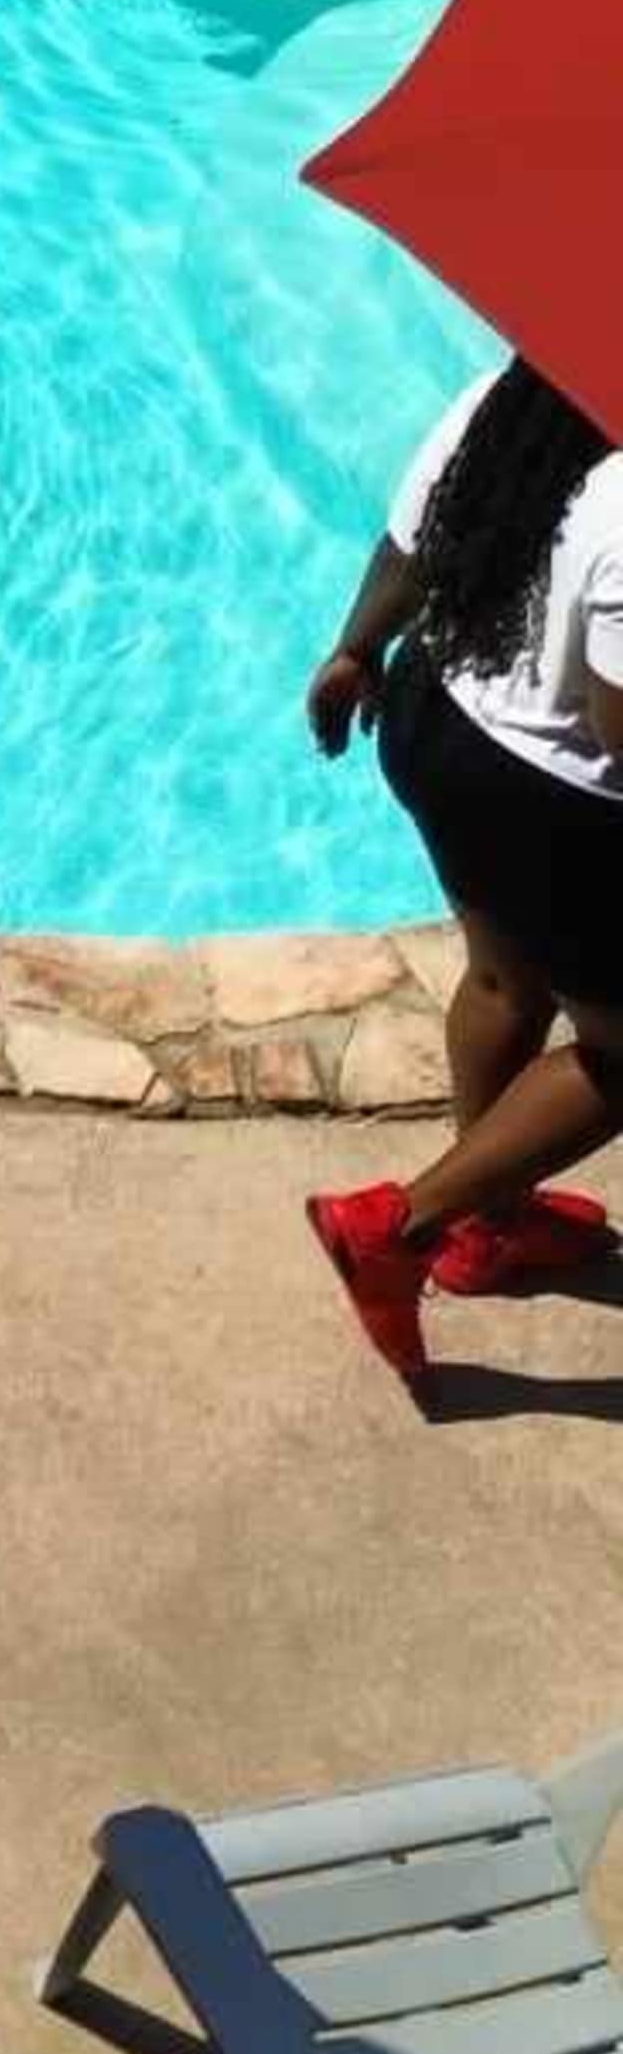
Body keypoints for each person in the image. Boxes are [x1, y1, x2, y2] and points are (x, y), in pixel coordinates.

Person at [303, 353, 623, 1386]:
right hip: (549, 799)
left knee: (504, 978)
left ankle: (492, 1228)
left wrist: (353, 650)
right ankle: (401, 1227)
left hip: (433, 717)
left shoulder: (521, 387)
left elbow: (412, 540)